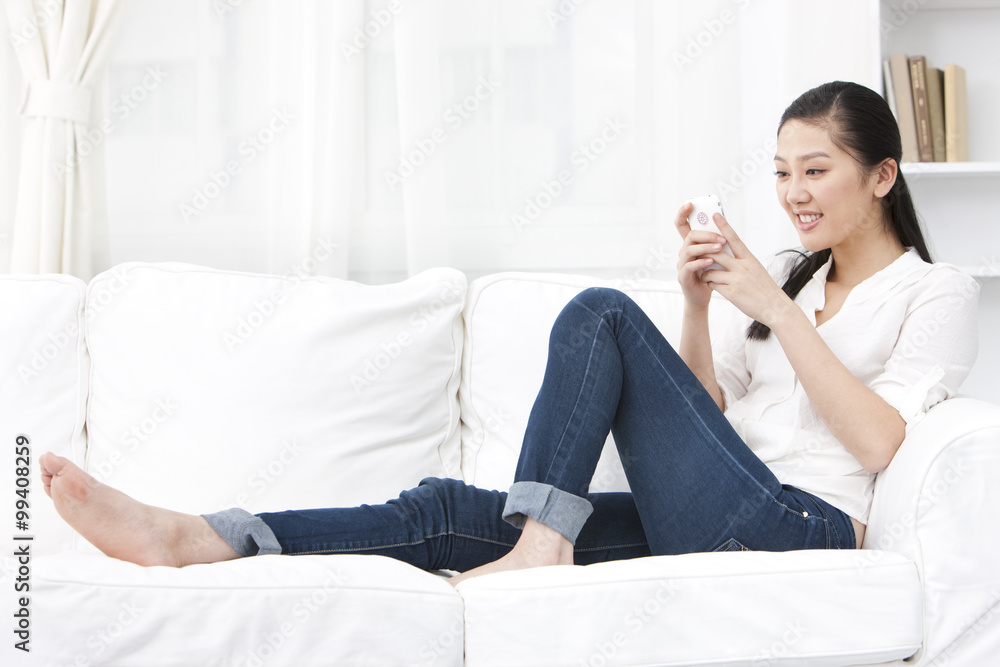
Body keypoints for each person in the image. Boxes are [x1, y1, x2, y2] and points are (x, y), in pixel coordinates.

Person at [40, 81, 979, 586]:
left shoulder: (934, 292)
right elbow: (710, 409)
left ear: (884, 175)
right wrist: (699, 305)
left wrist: (772, 311)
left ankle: (542, 541)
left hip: (799, 527)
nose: (795, 194)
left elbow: (882, 440)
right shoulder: (786, 274)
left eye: (817, 171)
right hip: (714, 505)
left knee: (600, 313)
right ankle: (200, 537)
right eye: (782, 172)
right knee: (449, 509)